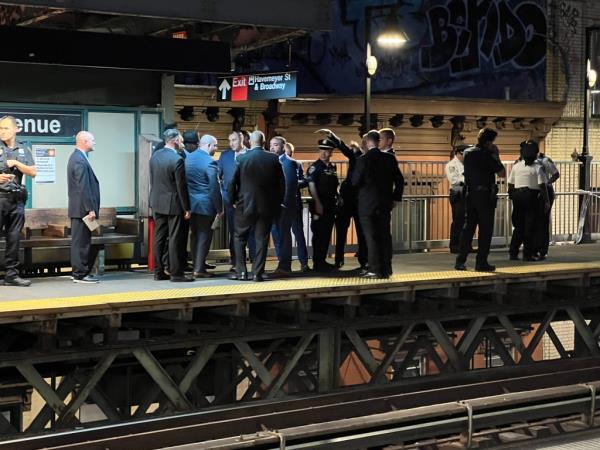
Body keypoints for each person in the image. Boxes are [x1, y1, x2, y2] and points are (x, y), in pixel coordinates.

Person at [228, 130, 284, 282]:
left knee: (239, 237)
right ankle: (257, 274)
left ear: (250, 142)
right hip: (266, 206)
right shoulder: (273, 159)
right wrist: (277, 202)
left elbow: (232, 182)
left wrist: (232, 200)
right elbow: (281, 184)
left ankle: (241, 272)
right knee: (261, 239)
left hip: (244, 205)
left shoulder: (241, 158)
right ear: (264, 141)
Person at [351, 130, 404, 279]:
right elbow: (399, 181)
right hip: (385, 204)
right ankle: (387, 268)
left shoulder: (363, 159)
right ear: (378, 141)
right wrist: (395, 198)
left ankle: (374, 269)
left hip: (367, 205)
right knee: (385, 236)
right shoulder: (390, 159)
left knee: (371, 238)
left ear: (368, 142)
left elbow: (355, 181)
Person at [455, 128, 506, 272]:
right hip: (485, 195)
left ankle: (460, 261)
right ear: (489, 142)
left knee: (468, 227)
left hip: (470, 194)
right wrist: (496, 154)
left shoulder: (467, 152)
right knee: (485, 229)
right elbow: (502, 173)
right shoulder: (488, 155)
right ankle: (481, 262)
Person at [149, 129, 193, 282]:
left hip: (156, 202)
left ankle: (158, 272)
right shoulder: (177, 159)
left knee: (159, 238)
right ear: (174, 140)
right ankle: (176, 273)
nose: (182, 142)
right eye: (180, 139)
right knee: (174, 238)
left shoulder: (155, 156)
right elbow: (181, 186)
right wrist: (187, 208)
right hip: (173, 204)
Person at [0, 116, 36, 287]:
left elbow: (33, 172)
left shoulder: (24, 149)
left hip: (16, 200)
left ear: (16, 129)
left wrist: (15, 163)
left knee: (14, 239)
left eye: (6, 128)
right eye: (0, 128)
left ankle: (11, 275)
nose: (2, 131)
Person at [326, 130, 367, 270]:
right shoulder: (356, 155)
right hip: (348, 197)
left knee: (361, 231)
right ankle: (339, 259)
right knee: (342, 230)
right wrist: (333, 135)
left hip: (360, 199)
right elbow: (343, 147)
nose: (363, 143)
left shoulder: (368, 157)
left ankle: (363, 260)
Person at [185, 134, 222, 278]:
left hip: (191, 203)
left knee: (195, 235)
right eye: (215, 145)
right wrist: (219, 208)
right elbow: (214, 187)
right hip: (206, 204)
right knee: (204, 236)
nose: (216, 148)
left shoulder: (188, 158)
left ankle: (196, 265)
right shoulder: (210, 162)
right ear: (207, 145)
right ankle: (199, 269)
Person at [67, 131, 101, 284]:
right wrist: (90, 209)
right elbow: (83, 187)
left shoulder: (78, 157)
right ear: (84, 141)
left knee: (82, 241)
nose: (94, 143)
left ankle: (80, 271)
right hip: (82, 210)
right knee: (80, 242)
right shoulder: (79, 160)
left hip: (81, 209)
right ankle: (79, 274)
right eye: (92, 140)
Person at [508, 140, 550, 262]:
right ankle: (528, 254)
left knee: (519, 226)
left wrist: (513, 195)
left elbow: (511, 184)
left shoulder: (516, 166)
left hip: (518, 197)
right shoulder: (538, 168)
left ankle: (513, 253)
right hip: (532, 198)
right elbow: (542, 186)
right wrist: (546, 201)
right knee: (530, 227)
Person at [218, 131, 255, 271]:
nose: (231, 143)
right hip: (230, 201)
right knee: (234, 232)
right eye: (229, 140)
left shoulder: (251, 154)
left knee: (252, 231)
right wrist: (224, 195)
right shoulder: (225, 155)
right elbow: (218, 175)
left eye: (234, 140)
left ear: (242, 139)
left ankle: (254, 260)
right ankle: (236, 263)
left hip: (248, 200)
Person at [269, 136, 303, 277]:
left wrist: (283, 203)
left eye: (275, 145)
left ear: (283, 147)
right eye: (270, 145)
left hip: (285, 206)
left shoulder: (289, 163)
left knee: (283, 235)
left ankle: (284, 266)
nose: (272, 148)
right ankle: (282, 264)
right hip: (276, 205)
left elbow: (289, 186)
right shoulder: (272, 161)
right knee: (278, 235)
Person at [307, 138, 339, 272]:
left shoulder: (331, 168)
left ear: (331, 152)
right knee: (319, 234)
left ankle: (322, 261)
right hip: (319, 205)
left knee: (326, 234)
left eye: (327, 150)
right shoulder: (315, 167)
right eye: (321, 150)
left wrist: (338, 195)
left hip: (330, 205)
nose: (323, 153)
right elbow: (311, 185)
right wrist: (318, 203)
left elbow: (334, 185)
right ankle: (317, 263)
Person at [283, 142, 310, 272]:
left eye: (290, 154)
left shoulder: (296, 164)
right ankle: (284, 263)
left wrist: (294, 182)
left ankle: (303, 263)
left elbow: (304, 181)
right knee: (284, 234)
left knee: (298, 233)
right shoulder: (277, 163)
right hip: (284, 203)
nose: (289, 156)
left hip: (294, 202)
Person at [536, 152, 560, 259]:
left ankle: (542, 250)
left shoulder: (544, 160)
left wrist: (547, 183)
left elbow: (556, 174)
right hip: (535, 191)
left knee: (543, 221)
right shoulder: (526, 160)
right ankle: (535, 248)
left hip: (545, 191)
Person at [445, 145, 468, 254]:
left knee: (468, 220)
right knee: (458, 220)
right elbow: (454, 180)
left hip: (468, 192)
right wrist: (467, 178)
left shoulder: (467, 164)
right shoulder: (451, 165)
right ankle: (454, 246)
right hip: (458, 193)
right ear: (458, 153)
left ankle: (465, 245)